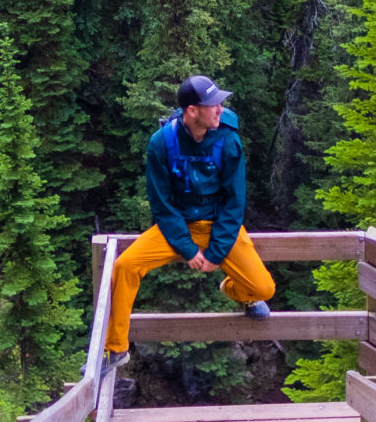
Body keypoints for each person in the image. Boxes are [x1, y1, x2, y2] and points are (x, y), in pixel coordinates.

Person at [104, 74, 275, 359]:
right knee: (126, 266)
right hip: (177, 226)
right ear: (192, 111)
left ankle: (236, 290)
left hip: (218, 225)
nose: (220, 109)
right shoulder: (161, 143)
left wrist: (216, 254)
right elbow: (162, 204)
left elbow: (234, 202)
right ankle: (115, 348)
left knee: (263, 288)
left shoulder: (228, 140)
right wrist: (187, 248)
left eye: (220, 103)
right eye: (213, 105)